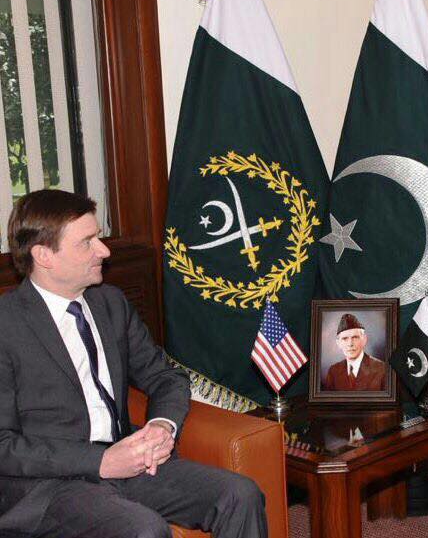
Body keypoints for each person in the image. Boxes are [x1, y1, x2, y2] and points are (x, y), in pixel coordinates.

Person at [0, 189, 267, 538]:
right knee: (145, 530)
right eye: (88, 241)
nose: (104, 250)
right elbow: (4, 444)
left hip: (130, 463)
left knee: (239, 494)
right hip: (52, 487)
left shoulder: (109, 304)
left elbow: (166, 377)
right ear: (44, 255)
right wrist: (100, 462)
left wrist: (161, 426)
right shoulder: (7, 325)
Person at [323, 313, 386, 391]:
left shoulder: (382, 369)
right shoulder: (333, 371)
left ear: (364, 340)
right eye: (345, 338)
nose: (350, 344)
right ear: (338, 343)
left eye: (355, 337)